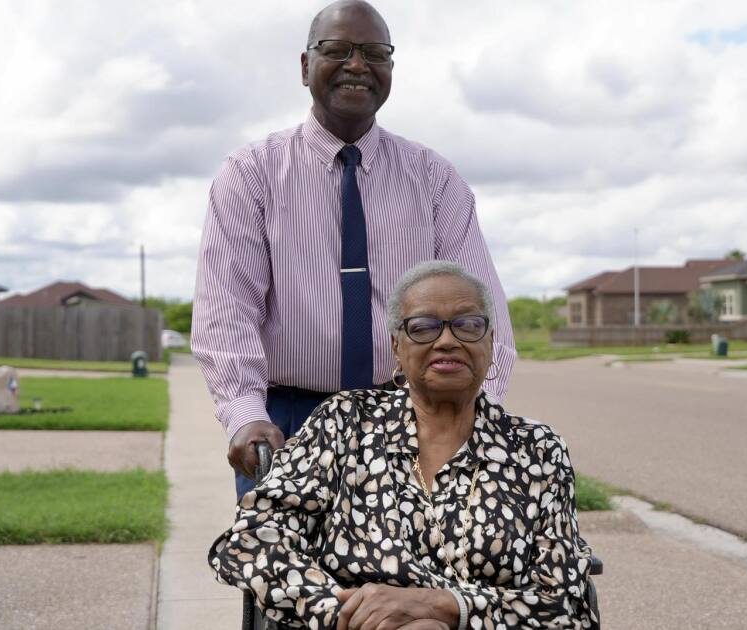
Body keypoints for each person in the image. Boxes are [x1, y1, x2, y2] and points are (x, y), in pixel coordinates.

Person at [190, 0, 516, 498]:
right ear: (305, 67)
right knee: (288, 551)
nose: (358, 65)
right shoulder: (251, 174)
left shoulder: (435, 180)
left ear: (390, 69)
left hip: (413, 417)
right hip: (288, 423)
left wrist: (473, 416)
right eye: (338, 49)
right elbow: (227, 311)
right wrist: (245, 414)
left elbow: (483, 315)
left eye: (375, 53)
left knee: (417, 552)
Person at [209, 262, 599, 630]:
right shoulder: (344, 423)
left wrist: (446, 607)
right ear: (397, 347)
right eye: (423, 327)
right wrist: (351, 615)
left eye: (467, 324)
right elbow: (252, 541)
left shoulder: (536, 449)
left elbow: (565, 601)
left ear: (491, 342)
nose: (447, 340)